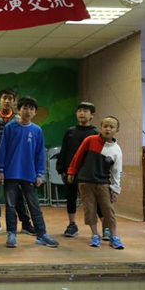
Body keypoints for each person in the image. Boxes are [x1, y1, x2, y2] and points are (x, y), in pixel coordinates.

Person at [0, 96, 59, 248]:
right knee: (11, 206)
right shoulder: (9, 128)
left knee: (34, 205)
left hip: (29, 174)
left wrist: (39, 174)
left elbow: (40, 154)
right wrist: (1, 169)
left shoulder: (37, 130)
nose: (28, 111)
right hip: (11, 173)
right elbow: (2, 149)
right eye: (25, 108)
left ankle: (42, 234)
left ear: (35, 112)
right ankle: (11, 234)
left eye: (31, 109)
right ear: (19, 110)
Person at [0, 87, 35, 235]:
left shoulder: (18, 119)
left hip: (13, 163)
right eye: (4, 98)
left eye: (10, 98)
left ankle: (26, 223)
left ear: (14, 101)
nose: (7, 101)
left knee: (17, 194)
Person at [67, 116, 124, 249]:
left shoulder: (116, 150)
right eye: (105, 126)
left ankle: (114, 236)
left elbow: (116, 171)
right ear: (100, 128)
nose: (108, 129)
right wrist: (72, 171)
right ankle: (95, 234)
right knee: (89, 209)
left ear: (117, 131)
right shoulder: (90, 140)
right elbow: (78, 156)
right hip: (85, 182)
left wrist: (116, 189)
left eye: (111, 127)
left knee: (108, 210)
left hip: (103, 183)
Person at [56, 102, 106, 238]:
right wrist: (61, 168)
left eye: (85, 111)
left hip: (89, 173)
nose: (81, 113)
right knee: (71, 197)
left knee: (95, 200)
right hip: (71, 172)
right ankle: (72, 224)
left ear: (92, 115)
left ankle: (105, 227)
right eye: (79, 111)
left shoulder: (96, 133)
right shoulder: (70, 132)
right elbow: (64, 151)